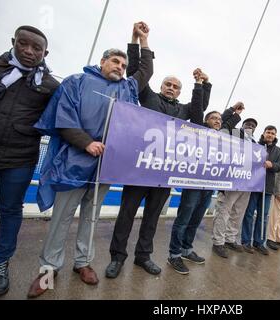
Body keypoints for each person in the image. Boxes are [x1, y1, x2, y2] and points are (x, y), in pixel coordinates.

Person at [27, 22, 153, 298]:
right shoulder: (77, 82)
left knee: (91, 217)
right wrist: (87, 142)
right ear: (102, 61)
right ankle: (48, 268)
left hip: (106, 167)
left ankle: (82, 263)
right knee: (61, 218)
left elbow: (145, 71)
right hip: (74, 162)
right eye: (115, 61)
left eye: (123, 63)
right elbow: (63, 117)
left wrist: (141, 40)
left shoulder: (128, 88)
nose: (120, 66)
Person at [105, 32, 212, 278]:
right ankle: (117, 258)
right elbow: (135, 71)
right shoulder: (148, 97)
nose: (172, 89)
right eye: (168, 85)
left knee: (152, 219)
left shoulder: (184, 110)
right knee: (126, 216)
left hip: (164, 174)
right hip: (140, 170)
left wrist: (200, 84)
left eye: (176, 87)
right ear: (161, 86)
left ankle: (143, 257)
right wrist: (137, 43)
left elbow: (198, 114)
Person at [0, 26, 59, 298]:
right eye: (24, 44)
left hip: (19, 159)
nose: (29, 51)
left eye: (37, 49)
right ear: (13, 42)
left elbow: (56, 122)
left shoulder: (50, 85)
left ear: (46, 53)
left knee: (11, 210)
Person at [167, 103, 243, 274]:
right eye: (214, 118)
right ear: (205, 121)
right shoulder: (198, 131)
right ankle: (174, 254)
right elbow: (200, 113)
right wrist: (230, 110)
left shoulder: (221, 136)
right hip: (193, 183)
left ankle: (187, 250)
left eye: (219, 119)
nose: (218, 121)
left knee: (195, 220)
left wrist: (235, 114)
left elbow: (227, 125)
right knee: (183, 220)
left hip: (209, 186)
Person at [212, 117, 258, 258]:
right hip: (231, 181)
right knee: (224, 211)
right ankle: (218, 242)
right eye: (247, 124)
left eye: (253, 125)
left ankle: (230, 239)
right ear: (242, 125)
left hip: (246, 184)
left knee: (238, 213)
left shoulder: (256, 145)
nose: (250, 126)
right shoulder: (234, 135)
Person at [241, 125, 280, 254]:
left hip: (267, 187)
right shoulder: (255, 146)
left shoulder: (278, 151)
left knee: (263, 216)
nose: (270, 135)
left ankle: (259, 242)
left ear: (275, 136)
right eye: (268, 132)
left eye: (272, 133)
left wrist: (272, 165)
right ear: (264, 133)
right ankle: (246, 241)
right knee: (249, 214)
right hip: (254, 185)